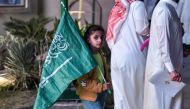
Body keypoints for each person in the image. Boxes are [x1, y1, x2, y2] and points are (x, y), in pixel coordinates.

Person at [106, 0, 149, 109]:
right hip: (133, 57)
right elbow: (142, 29)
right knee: (136, 96)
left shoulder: (118, 6)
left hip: (117, 57)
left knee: (121, 98)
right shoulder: (137, 5)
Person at [143, 0, 184, 109]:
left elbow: (171, 39)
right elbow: (163, 43)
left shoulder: (170, 8)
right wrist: (171, 70)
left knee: (172, 104)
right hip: (164, 70)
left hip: (172, 69)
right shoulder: (163, 10)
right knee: (161, 104)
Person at [74, 25, 111, 109]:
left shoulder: (100, 53)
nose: (100, 40)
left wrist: (108, 83)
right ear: (88, 40)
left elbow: (104, 72)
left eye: (102, 37)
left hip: (102, 92)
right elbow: (83, 82)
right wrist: (101, 87)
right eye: (96, 37)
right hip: (89, 95)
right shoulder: (84, 59)